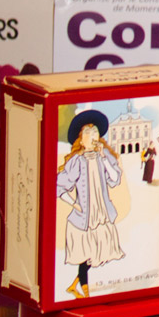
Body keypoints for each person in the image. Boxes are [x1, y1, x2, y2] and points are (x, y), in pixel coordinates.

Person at [58, 107, 127, 296]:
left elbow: (115, 179)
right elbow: (60, 187)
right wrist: (74, 204)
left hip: (102, 212)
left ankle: (75, 286)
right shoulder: (76, 161)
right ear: (80, 138)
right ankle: (85, 294)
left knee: (94, 254)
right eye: (88, 132)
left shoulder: (104, 157)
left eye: (95, 131)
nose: (93, 135)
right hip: (84, 215)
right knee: (86, 254)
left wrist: (104, 158)